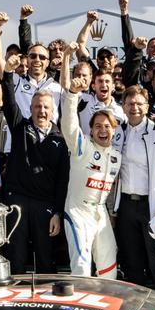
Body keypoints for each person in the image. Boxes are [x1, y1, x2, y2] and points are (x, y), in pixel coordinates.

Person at [58, 42, 121, 279]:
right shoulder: (81, 145)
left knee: (108, 263)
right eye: (97, 127)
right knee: (83, 266)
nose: (102, 131)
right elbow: (69, 125)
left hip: (101, 212)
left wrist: (112, 214)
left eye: (107, 127)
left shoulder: (116, 156)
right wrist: (73, 95)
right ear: (91, 130)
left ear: (114, 130)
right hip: (78, 211)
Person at [112, 84, 155, 295]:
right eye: (130, 103)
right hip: (125, 207)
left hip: (152, 207)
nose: (134, 108)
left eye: (139, 104)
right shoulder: (117, 132)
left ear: (147, 107)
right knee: (132, 265)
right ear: (123, 106)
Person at [1, 89, 69, 275]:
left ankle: (46, 297)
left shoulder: (60, 140)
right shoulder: (19, 127)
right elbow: (8, 102)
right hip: (18, 200)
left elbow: (62, 181)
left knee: (45, 255)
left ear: (52, 110)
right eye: (37, 106)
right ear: (30, 109)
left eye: (46, 107)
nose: (42, 111)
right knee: (16, 254)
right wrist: (7, 73)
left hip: (45, 204)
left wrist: (57, 212)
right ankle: (15, 298)